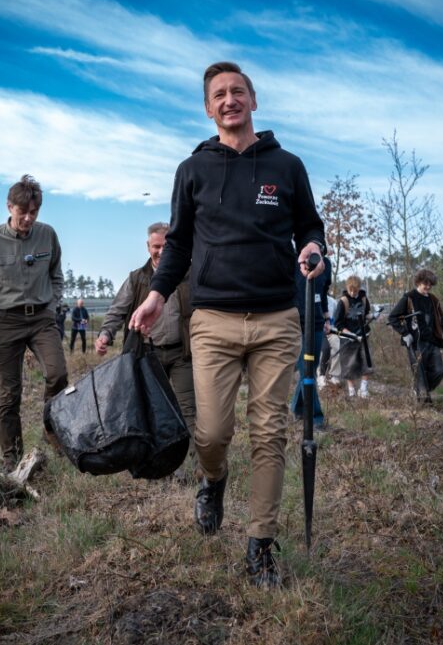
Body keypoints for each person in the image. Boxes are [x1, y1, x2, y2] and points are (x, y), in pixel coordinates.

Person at [129, 61, 326, 589]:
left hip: (277, 318)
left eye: (238, 91)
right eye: (218, 94)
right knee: (212, 432)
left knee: (270, 435)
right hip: (212, 321)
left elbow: (310, 225)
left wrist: (313, 247)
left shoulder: (287, 165)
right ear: (208, 107)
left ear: (254, 100)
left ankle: (260, 544)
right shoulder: (192, 170)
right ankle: (213, 478)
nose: (229, 99)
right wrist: (155, 297)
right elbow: (179, 247)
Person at [0, 175, 68, 470]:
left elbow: (56, 275)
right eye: (22, 211)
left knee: (58, 375)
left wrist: (52, 305)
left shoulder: (48, 235)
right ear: (9, 206)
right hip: (6, 323)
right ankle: (13, 460)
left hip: (41, 320)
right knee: (10, 395)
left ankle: (53, 431)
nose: (27, 218)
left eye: (33, 212)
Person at [95, 222, 196, 465]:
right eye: (156, 246)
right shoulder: (137, 279)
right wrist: (106, 335)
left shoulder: (190, 274)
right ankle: (157, 463)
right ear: (148, 247)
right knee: (153, 411)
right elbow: (117, 311)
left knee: (189, 411)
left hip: (183, 354)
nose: (161, 251)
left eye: (167, 246)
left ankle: (196, 468)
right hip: (148, 356)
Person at [388, 269, 443, 404]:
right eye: (425, 283)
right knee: (420, 375)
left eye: (430, 284)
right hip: (415, 343)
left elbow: (442, 322)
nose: (428, 286)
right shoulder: (409, 298)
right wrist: (405, 333)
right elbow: (392, 317)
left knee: (439, 371)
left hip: (432, 342)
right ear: (418, 282)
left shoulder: (433, 300)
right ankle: (424, 405)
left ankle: (420, 391)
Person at [292, 253, 331, 427]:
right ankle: (316, 418)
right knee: (306, 369)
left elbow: (323, 294)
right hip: (296, 323)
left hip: (316, 323)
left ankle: (297, 407)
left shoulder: (326, 264)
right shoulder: (292, 260)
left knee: (310, 370)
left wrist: (327, 318)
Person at [333, 275, 375, 399]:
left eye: (355, 290)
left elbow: (366, 315)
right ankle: (351, 391)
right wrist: (348, 333)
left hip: (363, 335)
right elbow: (337, 323)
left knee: (366, 361)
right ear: (347, 288)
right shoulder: (343, 302)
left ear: (359, 288)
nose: (352, 293)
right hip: (348, 338)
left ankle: (364, 389)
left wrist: (373, 315)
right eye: (350, 290)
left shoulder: (363, 299)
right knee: (349, 364)